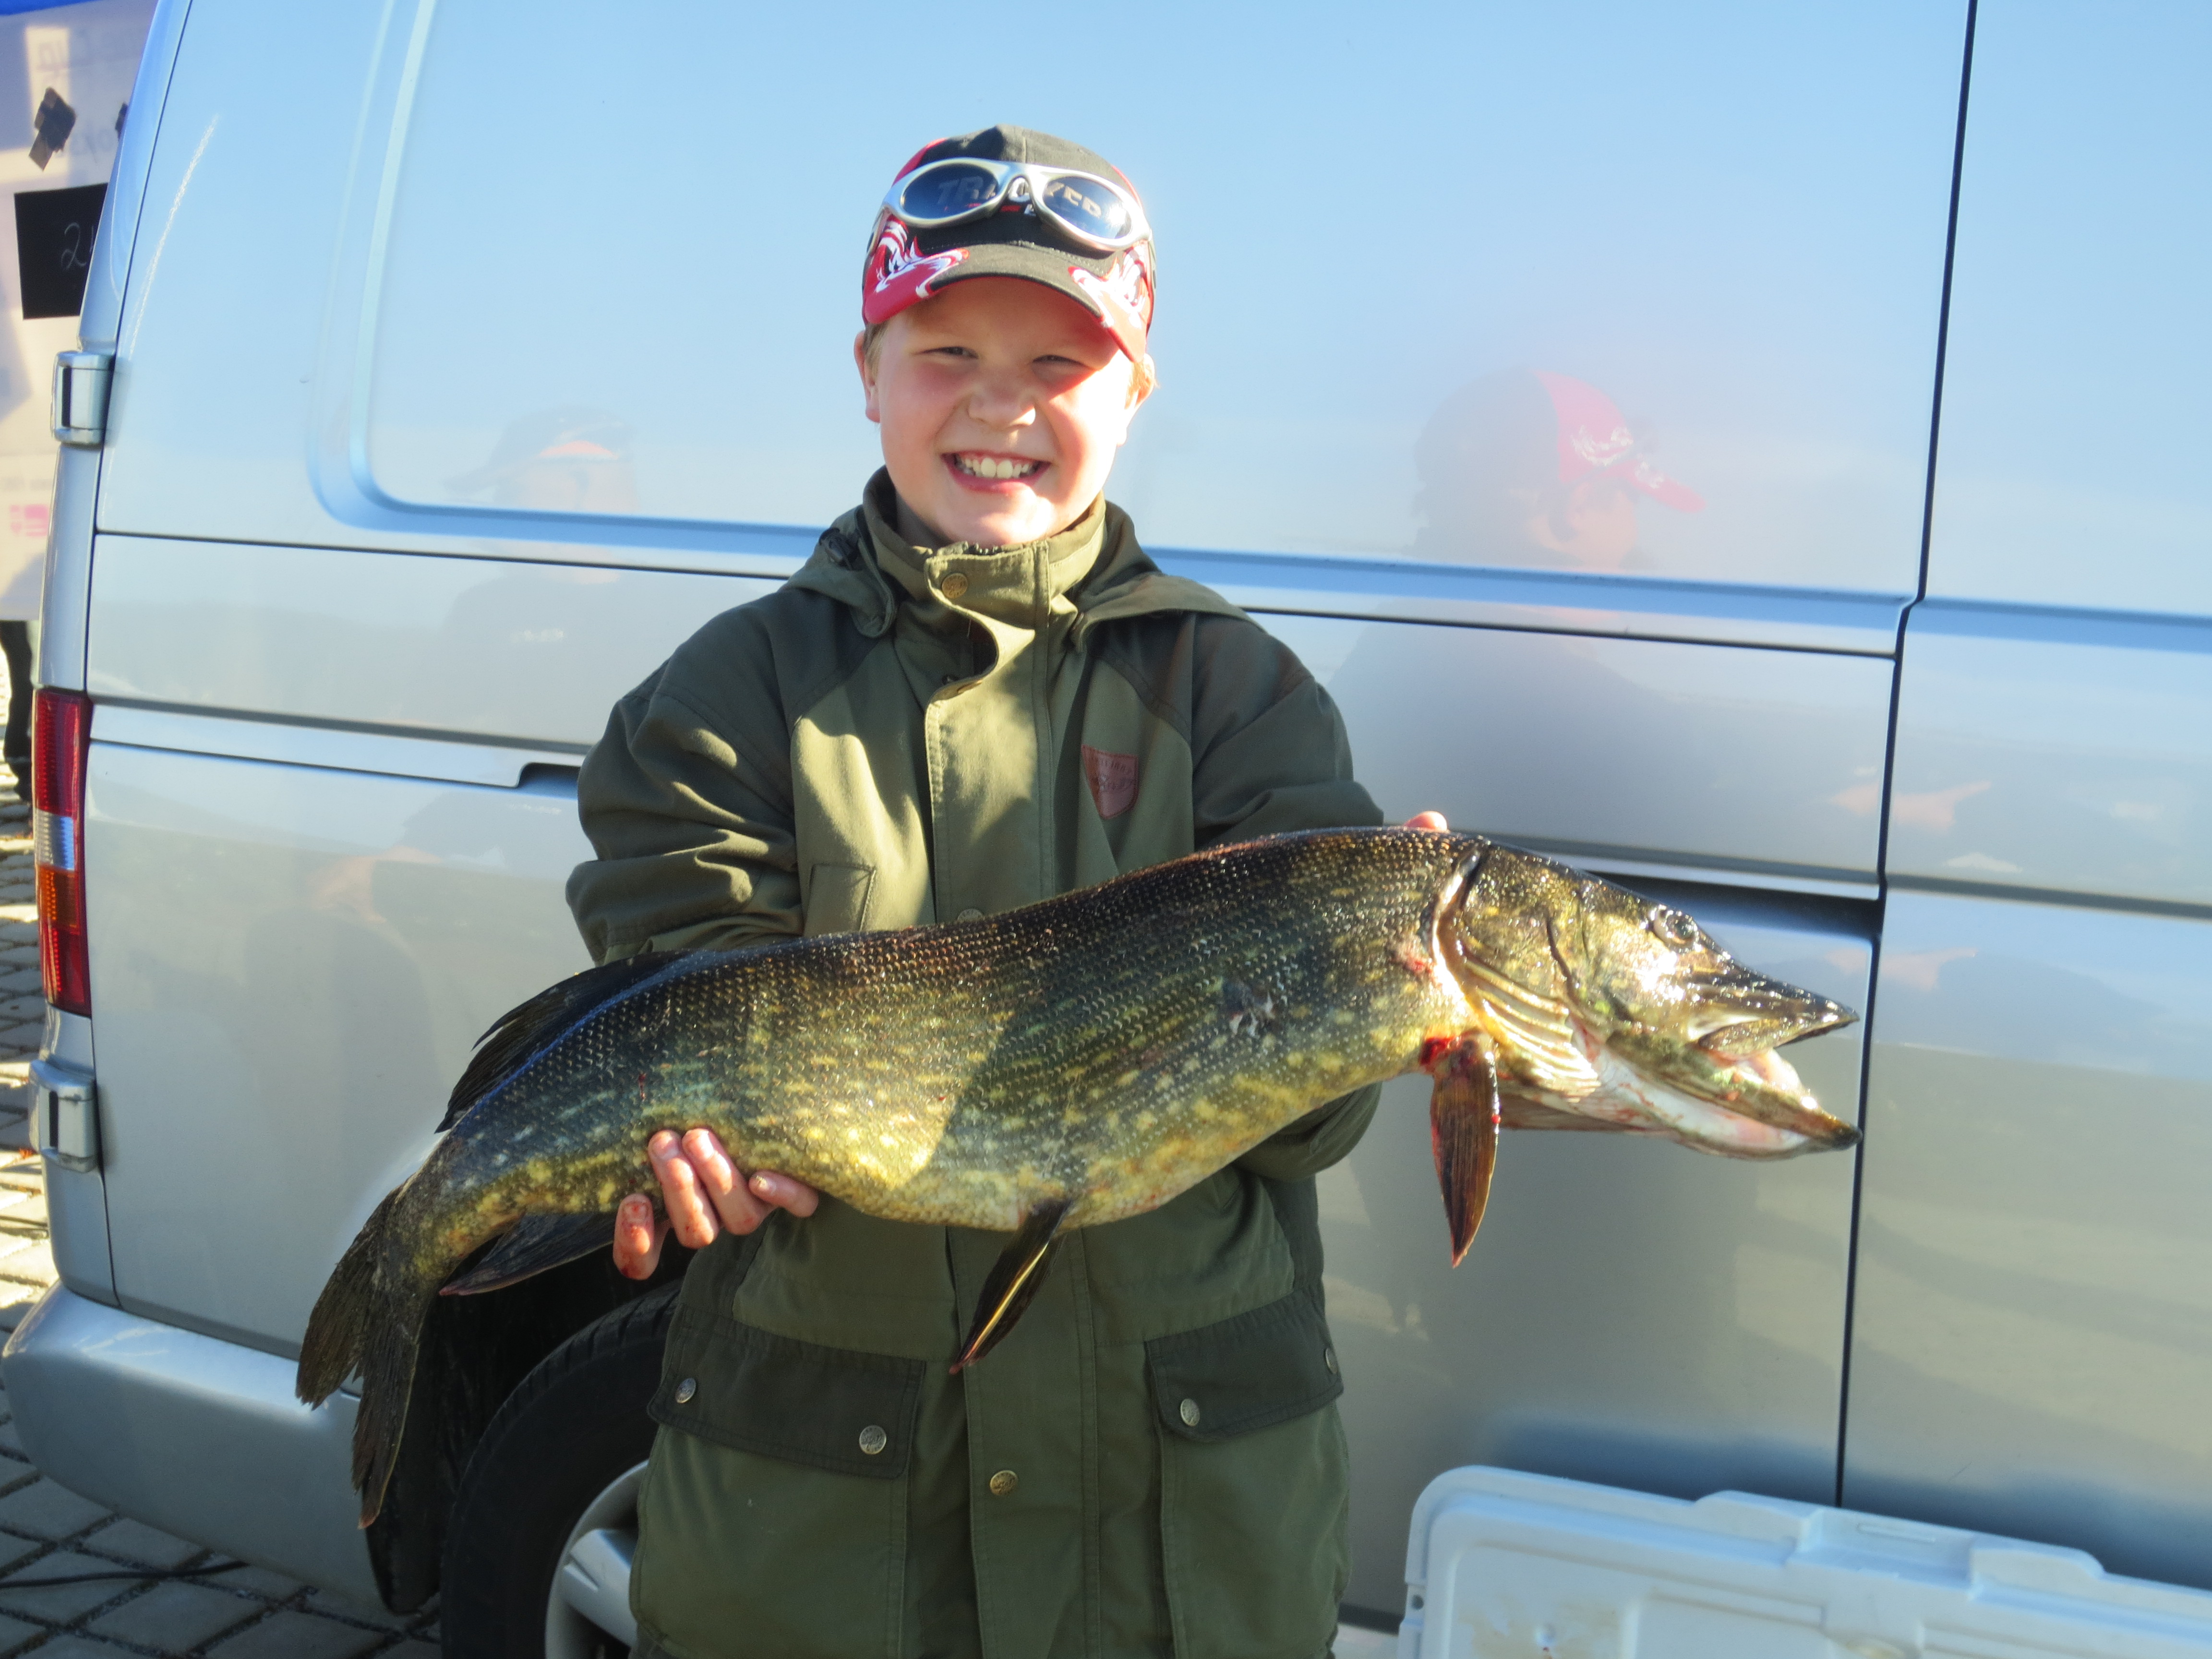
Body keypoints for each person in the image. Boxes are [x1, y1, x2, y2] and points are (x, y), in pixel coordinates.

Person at [566, 124, 1443, 1659]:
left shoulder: (1241, 693)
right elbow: (678, 1011)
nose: (1001, 405)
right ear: (868, 370)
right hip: (828, 1533)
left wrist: (1366, 972)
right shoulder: (725, 698)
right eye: (947, 353)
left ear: (1134, 392)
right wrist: (690, 1157)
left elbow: (1312, 1131)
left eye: (1059, 362)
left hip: (1173, 1539)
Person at [1410, 367, 1704, 572]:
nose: (1636, 517)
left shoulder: (1405, 620)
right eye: (1633, 495)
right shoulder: (1574, 644)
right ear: (1579, 508)